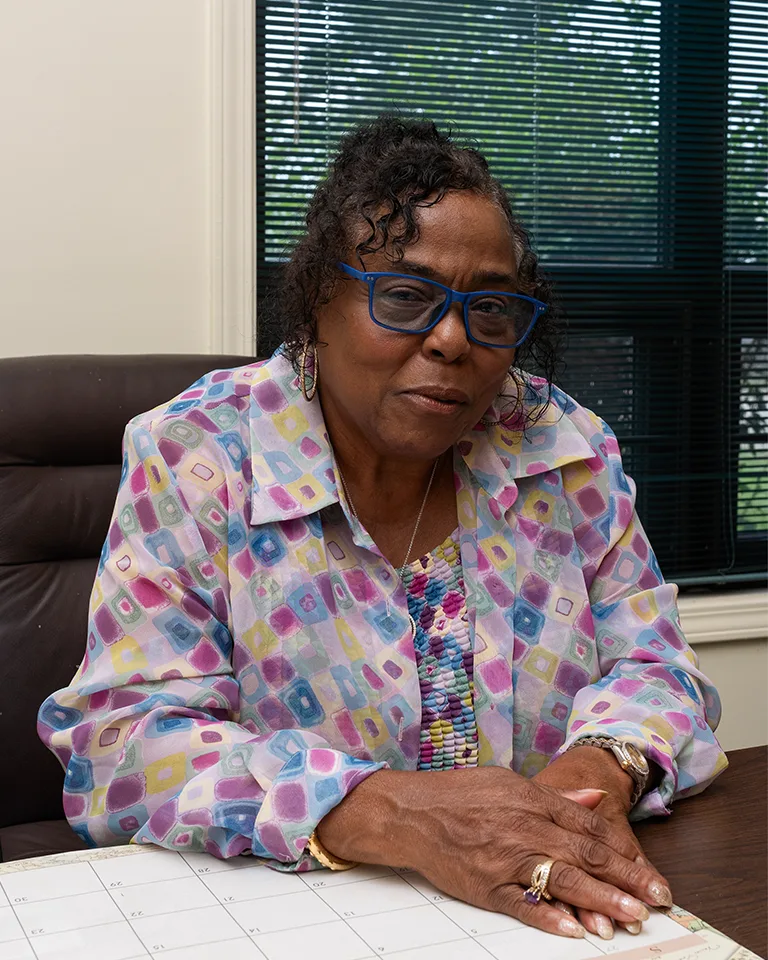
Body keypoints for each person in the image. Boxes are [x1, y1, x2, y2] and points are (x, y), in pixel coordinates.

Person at [38, 115, 727, 941]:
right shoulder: (197, 455)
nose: (450, 339)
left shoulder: (561, 444)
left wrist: (603, 767)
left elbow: (657, 665)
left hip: (543, 905)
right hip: (303, 922)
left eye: (493, 310)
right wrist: (387, 810)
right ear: (316, 304)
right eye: (404, 296)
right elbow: (122, 749)